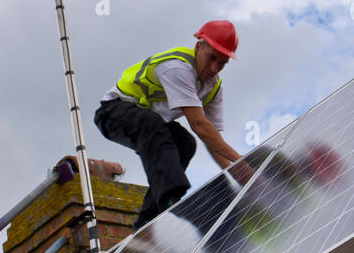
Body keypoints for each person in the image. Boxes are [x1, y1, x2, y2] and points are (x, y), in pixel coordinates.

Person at [93, 19, 249, 230]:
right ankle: (172, 197)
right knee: (153, 124)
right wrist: (240, 162)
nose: (214, 68)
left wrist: (240, 176)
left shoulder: (214, 88)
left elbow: (213, 140)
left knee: (185, 143)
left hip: (147, 123)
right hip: (112, 113)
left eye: (222, 63)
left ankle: (148, 219)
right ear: (198, 46)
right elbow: (200, 125)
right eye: (211, 58)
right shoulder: (177, 67)